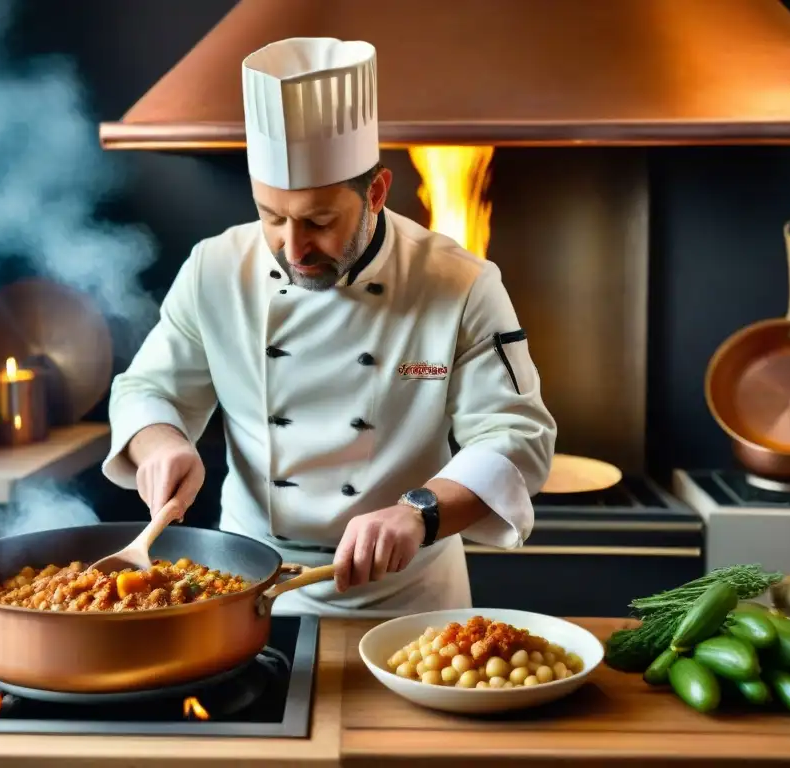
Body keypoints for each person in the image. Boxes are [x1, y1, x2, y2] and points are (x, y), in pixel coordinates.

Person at [102, 37, 557, 617]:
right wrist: (161, 443)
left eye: (318, 221)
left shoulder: (462, 284)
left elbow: (517, 437)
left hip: (410, 598)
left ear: (377, 191)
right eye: (271, 218)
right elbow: (148, 390)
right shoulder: (213, 269)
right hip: (245, 587)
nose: (293, 248)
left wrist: (420, 512)